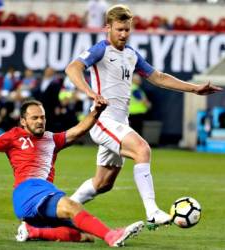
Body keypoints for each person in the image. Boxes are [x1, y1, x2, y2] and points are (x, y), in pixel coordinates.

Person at [65, 4, 223, 230]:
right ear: (107, 28)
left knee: (103, 183)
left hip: (120, 122)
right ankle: (152, 211)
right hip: (103, 120)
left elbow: (158, 77)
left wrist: (194, 88)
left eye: (127, 30)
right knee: (142, 149)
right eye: (119, 29)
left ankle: (62, 210)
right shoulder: (101, 49)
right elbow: (72, 68)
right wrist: (91, 93)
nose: (123, 34)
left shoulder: (131, 54)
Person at [0, 99, 144, 247]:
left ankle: (33, 231)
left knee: (81, 234)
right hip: (28, 190)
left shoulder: (52, 139)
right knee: (72, 206)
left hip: (42, 195)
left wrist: (96, 112)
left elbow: (79, 130)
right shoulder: (14, 136)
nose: (40, 121)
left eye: (42, 117)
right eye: (35, 118)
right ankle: (111, 236)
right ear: (23, 121)